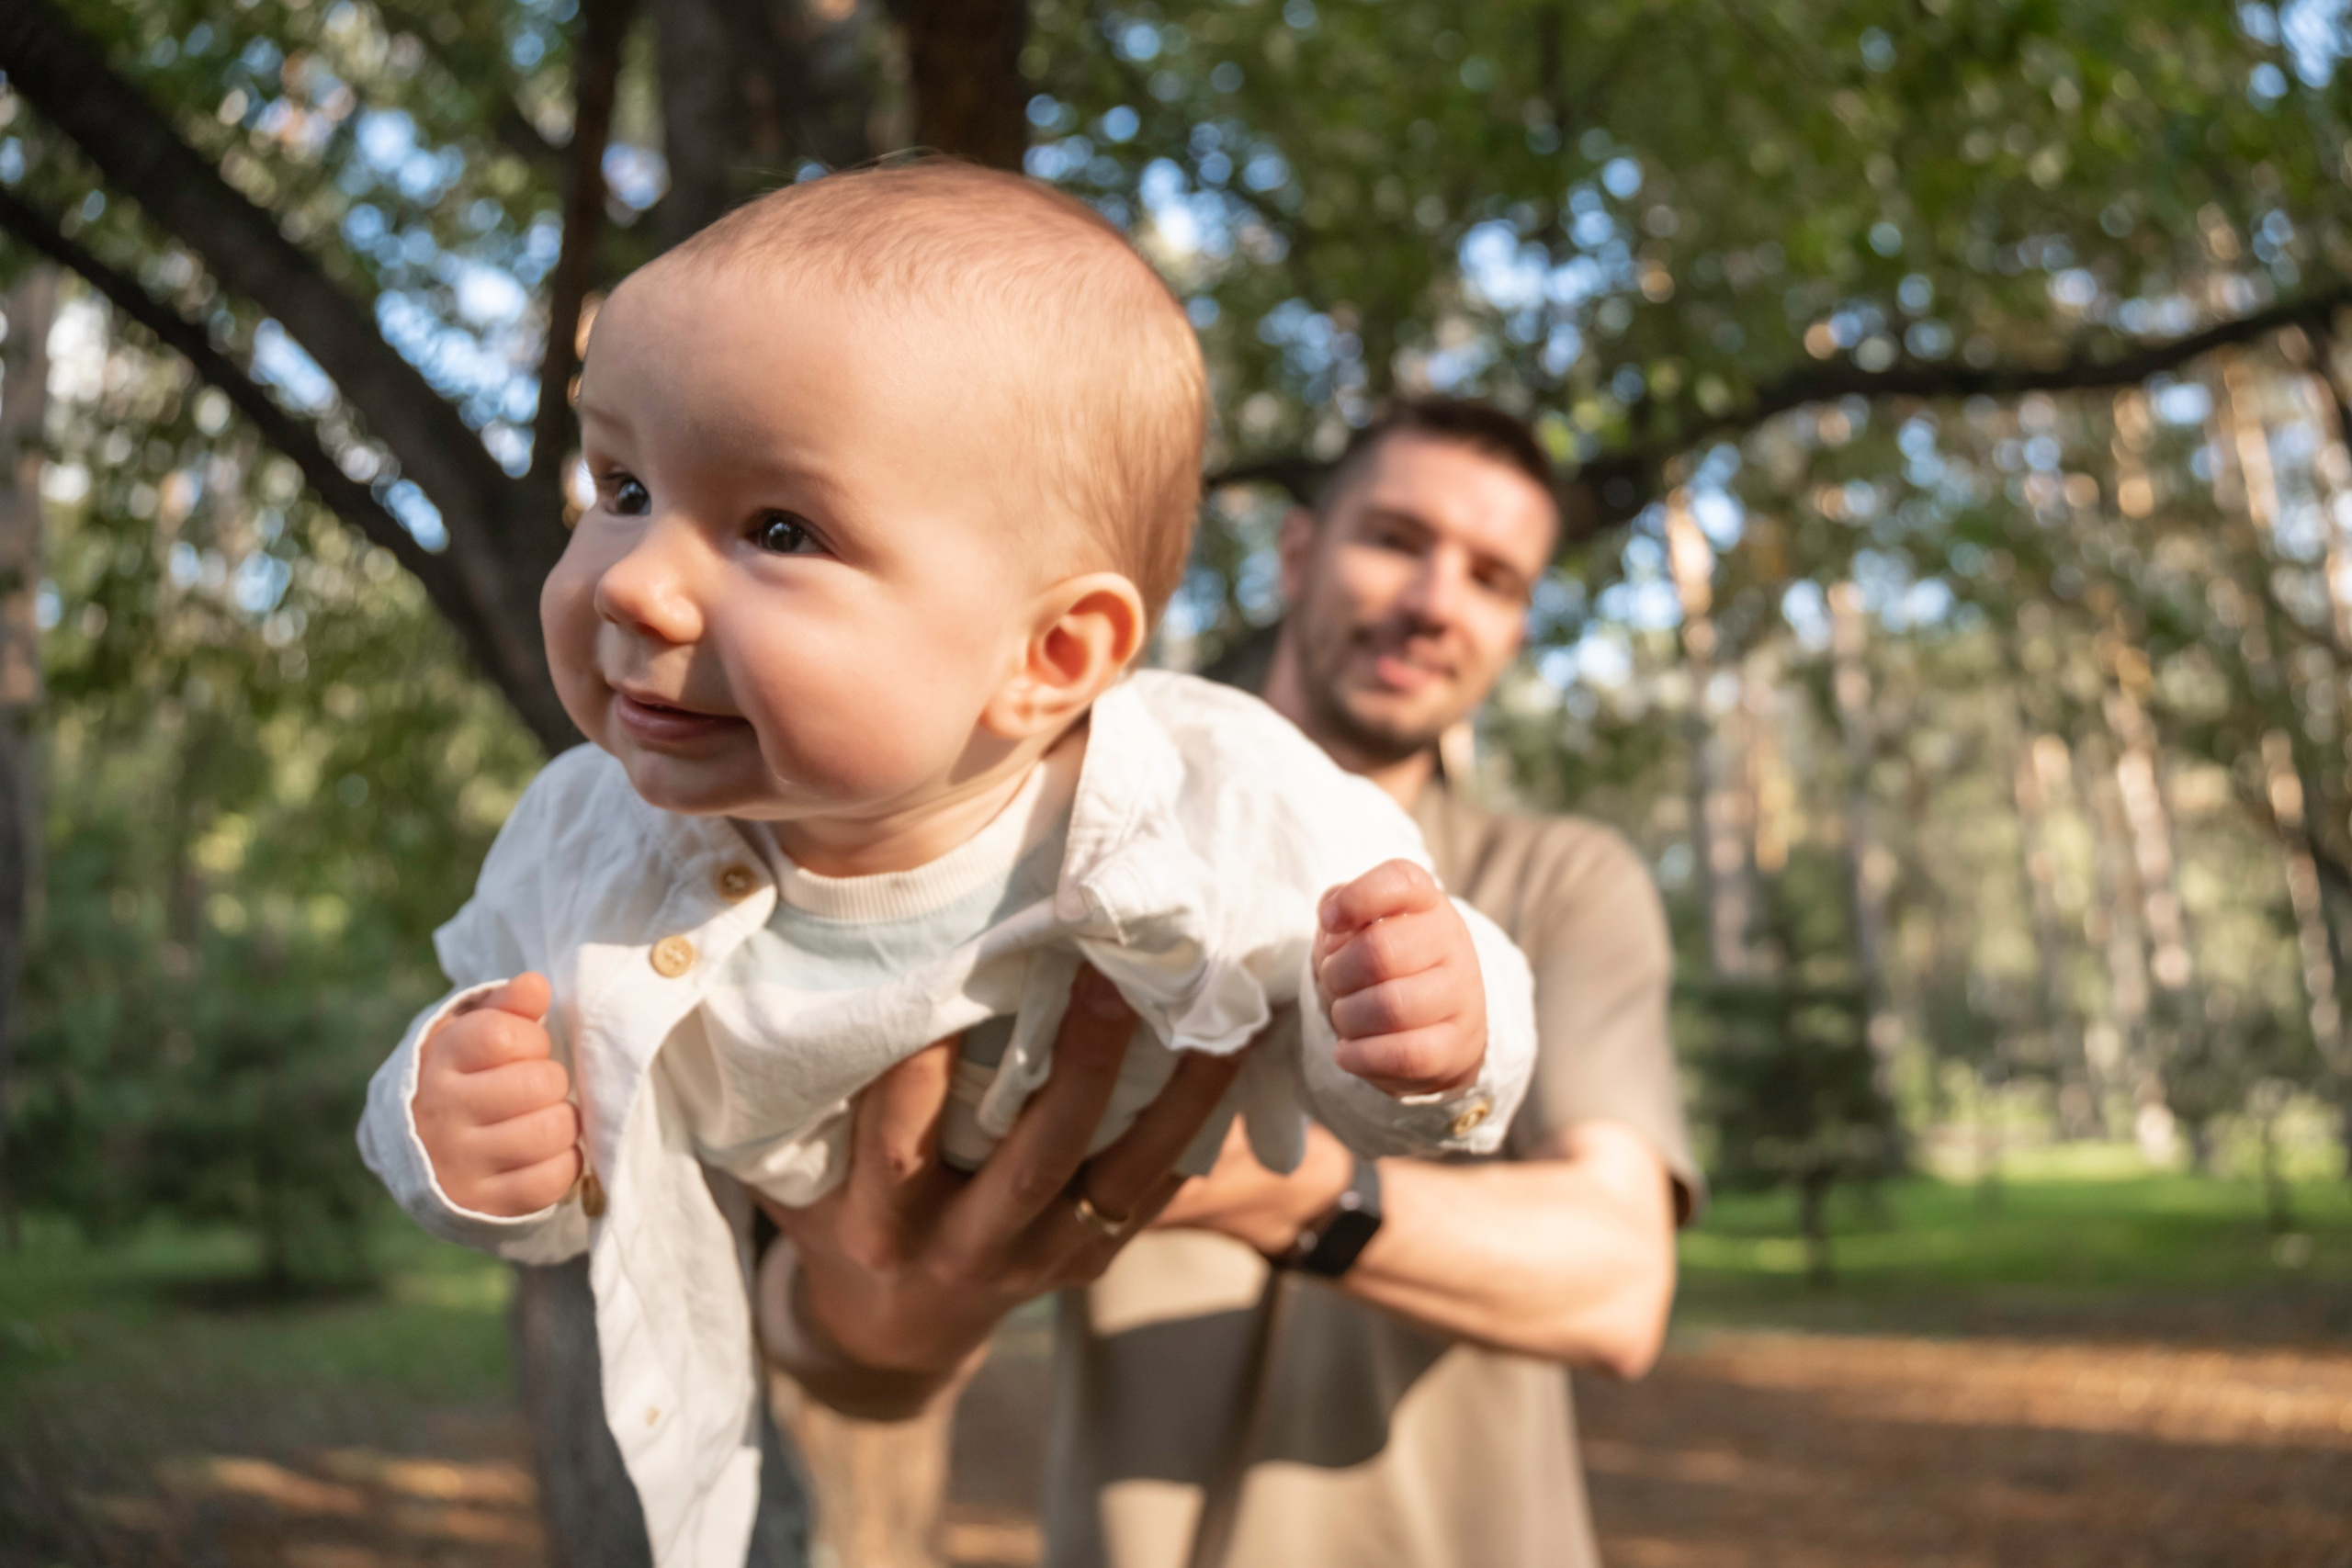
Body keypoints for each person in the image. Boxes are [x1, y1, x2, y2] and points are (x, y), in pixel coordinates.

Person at [354, 165, 1541, 1568]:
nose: (629, 579)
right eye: (620, 486)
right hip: (836, 1283)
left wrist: (1427, 1032)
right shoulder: (591, 835)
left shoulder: (1228, 794)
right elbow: (531, 1124)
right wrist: (457, 1135)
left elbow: (1381, 1049)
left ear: (1047, 659)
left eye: (778, 529)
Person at [761, 397, 1697, 1568]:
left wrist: (1259, 1181)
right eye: (1395, 540)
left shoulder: (1559, 880)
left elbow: (1615, 1283)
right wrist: (908, 1277)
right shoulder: (1043, 834)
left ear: (1517, 627)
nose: (1433, 601)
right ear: (1297, 554)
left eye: (1493, 579)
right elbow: (838, 1348)